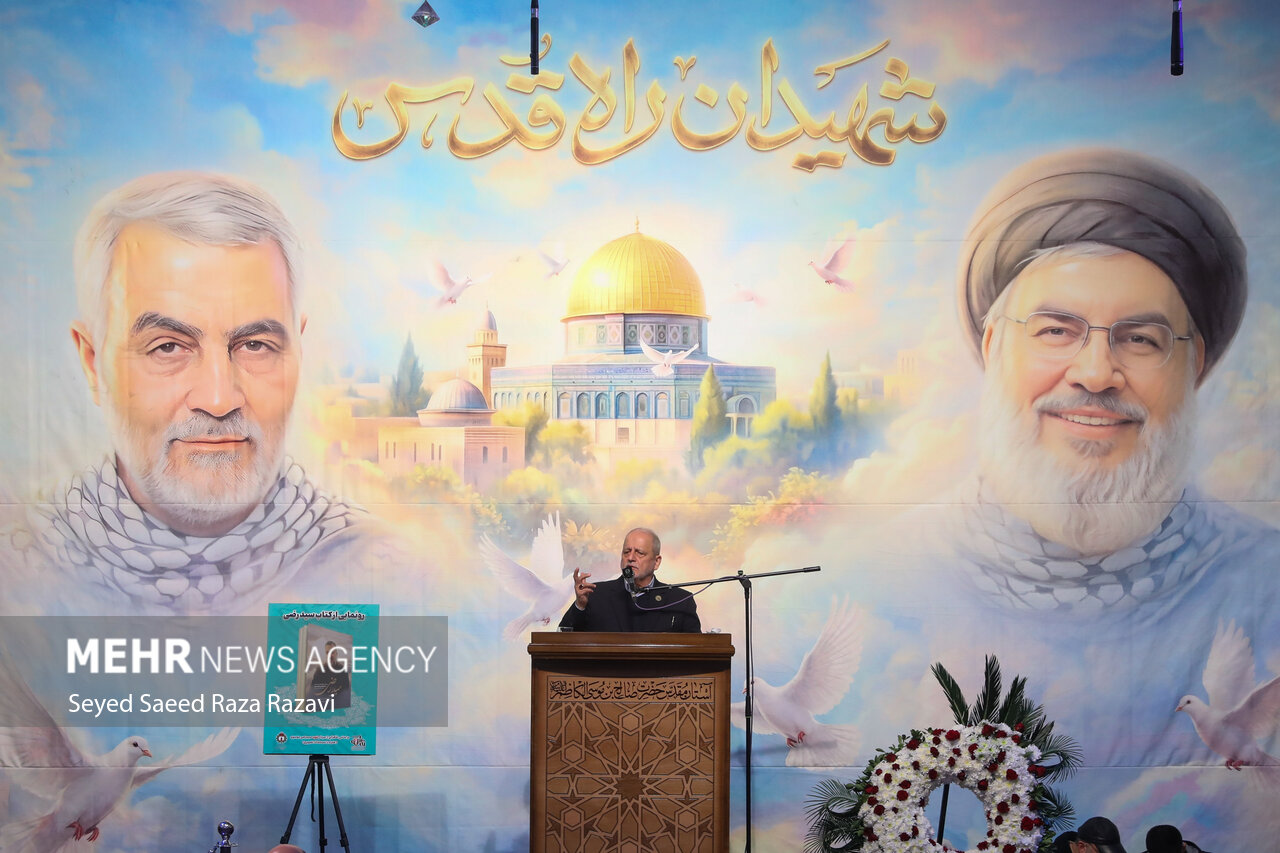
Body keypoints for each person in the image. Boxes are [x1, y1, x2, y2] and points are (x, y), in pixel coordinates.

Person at [3, 171, 406, 614]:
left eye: (255, 345)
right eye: (167, 347)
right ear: (92, 362)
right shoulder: (18, 569)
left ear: (297, 352)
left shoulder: (378, 573)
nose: (218, 399)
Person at [943, 147, 1278, 614]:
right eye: (1056, 331)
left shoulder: (1267, 581)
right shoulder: (886, 569)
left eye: (1141, 339)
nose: (1096, 374)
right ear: (993, 344)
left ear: (1194, 364)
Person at [559, 527, 700, 632]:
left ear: (656, 562)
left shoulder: (680, 601)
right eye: (626, 552)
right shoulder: (595, 594)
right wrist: (580, 606)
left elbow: (696, 650)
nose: (631, 558)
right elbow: (563, 638)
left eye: (640, 553)